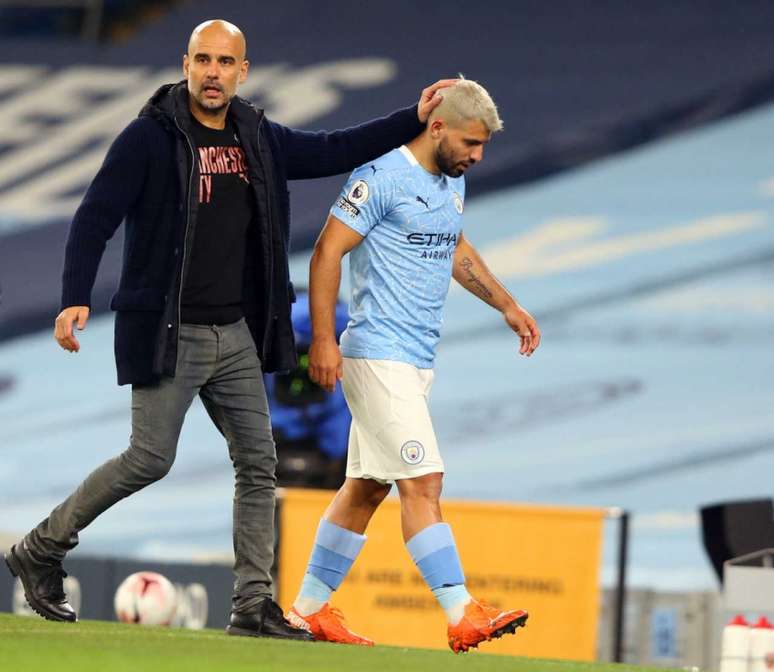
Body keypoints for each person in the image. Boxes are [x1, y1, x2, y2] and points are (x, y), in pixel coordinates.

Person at [3, 18, 455, 640]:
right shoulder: (149, 138)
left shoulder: (257, 135)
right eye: (203, 60)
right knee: (148, 458)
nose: (213, 73)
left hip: (236, 332)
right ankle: (40, 548)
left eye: (225, 62)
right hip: (171, 329)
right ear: (186, 64)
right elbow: (95, 215)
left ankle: (252, 605)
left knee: (258, 463)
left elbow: (330, 151)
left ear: (243, 71)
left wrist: (411, 117)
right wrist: (74, 296)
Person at [285, 77, 541, 653]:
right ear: (438, 127)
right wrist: (324, 338)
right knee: (423, 482)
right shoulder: (380, 177)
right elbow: (328, 249)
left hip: (415, 360)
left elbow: (453, 246)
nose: (477, 157)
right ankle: (460, 612)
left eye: (483, 148)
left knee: (366, 488)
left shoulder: (448, 184)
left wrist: (507, 304)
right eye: (471, 144)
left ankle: (306, 611)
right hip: (378, 353)